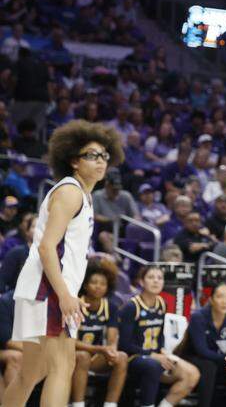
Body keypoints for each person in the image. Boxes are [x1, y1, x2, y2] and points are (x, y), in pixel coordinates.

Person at [4, 120, 124, 407]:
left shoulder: (82, 194)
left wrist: (68, 292)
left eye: (104, 155)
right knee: (62, 366)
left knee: (32, 372)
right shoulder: (70, 192)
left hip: (45, 288)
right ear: (73, 160)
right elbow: (47, 247)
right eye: (92, 155)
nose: (100, 161)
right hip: (48, 289)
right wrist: (65, 294)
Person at [118, 265, 199, 407]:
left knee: (193, 374)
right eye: (151, 277)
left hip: (156, 355)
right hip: (133, 358)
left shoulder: (162, 303)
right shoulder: (131, 307)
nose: (156, 281)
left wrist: (162, 351)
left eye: (159, 278)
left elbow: (160, 335)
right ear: (141, 282)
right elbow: (124, 345)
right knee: (153, 365)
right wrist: (152, 355)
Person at [178, 282, 226, 407]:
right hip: (194, 358)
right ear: (211, 299)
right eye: (220, 296)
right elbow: (202, 350)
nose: (224, 301)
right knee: (209, 366)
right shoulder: (198, 317)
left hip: (220, 359)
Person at [71, 259, 128, 407]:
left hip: (95, 354)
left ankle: (110, 404)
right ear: (85, 285)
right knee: (83, 356)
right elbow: (72, 342)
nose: (98, 287)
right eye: (94, 282)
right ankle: (78, 404)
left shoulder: (111, 307)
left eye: (103, 284)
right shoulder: (76, 304)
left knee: (121, 357)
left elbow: (112, 337)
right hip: (72, 354)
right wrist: (99, 349)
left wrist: (110, 349)